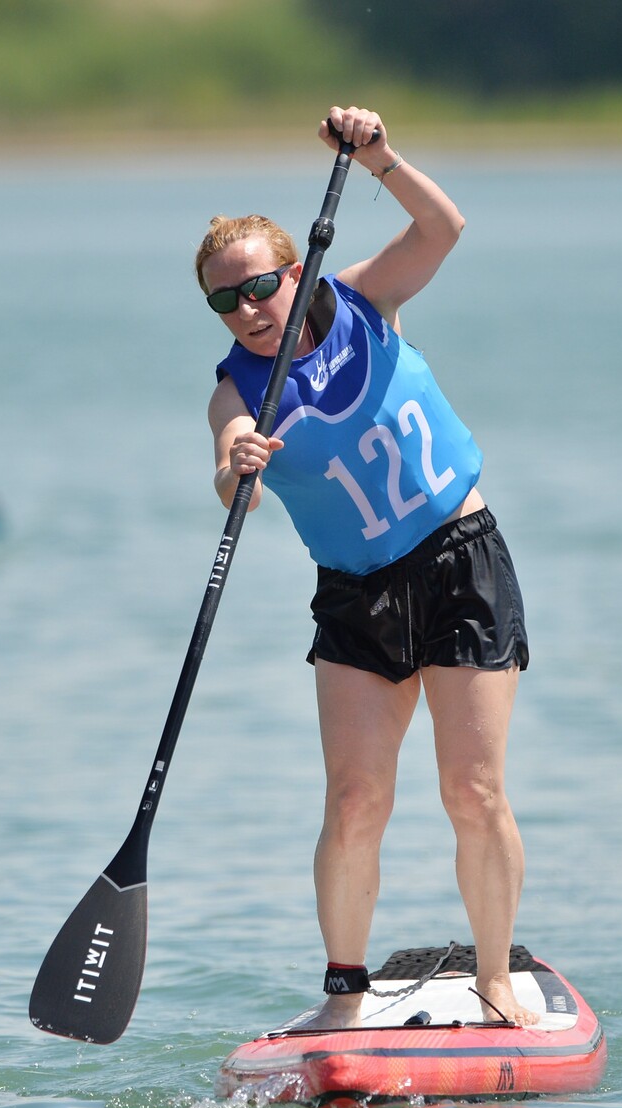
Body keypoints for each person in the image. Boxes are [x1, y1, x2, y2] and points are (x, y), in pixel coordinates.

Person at [196, 105, 537, 1027]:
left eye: (260, 288)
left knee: (472, 790)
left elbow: (443, 229)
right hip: (356, 596)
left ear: (294, 273)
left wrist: (379, 158)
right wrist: (240, 467)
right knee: (354, 801)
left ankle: (496, 977)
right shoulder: (239, 390)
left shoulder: (362, 298)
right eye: (226, 301)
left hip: (461, 561)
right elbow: (233, 477)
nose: (250, 311)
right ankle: (344, 994)